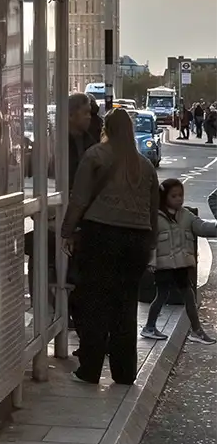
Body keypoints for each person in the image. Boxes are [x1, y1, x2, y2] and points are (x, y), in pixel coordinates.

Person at [63, 106, 159, 385]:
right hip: (137, 240)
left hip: (101, 235)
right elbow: (153, 211)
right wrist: (150, 243)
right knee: (125, 305)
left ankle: (90, 369)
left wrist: (67, 231)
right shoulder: (145, 165)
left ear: (106, 128)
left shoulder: (95, 156)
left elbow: (80, 199)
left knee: (94, 301)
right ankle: (125, 372)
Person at [142, 178, 217, 343]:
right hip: (163, 266)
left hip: (182, 265)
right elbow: (150, 242)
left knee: (189, 297)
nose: (178, 199)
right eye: (173, 196)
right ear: (164, 197)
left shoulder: (186, 216)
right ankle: (149, 326)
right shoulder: (155, 217)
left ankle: (197, 331)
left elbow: (201, 226)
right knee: (161, 296)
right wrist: (150, 262)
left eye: (180, 195)